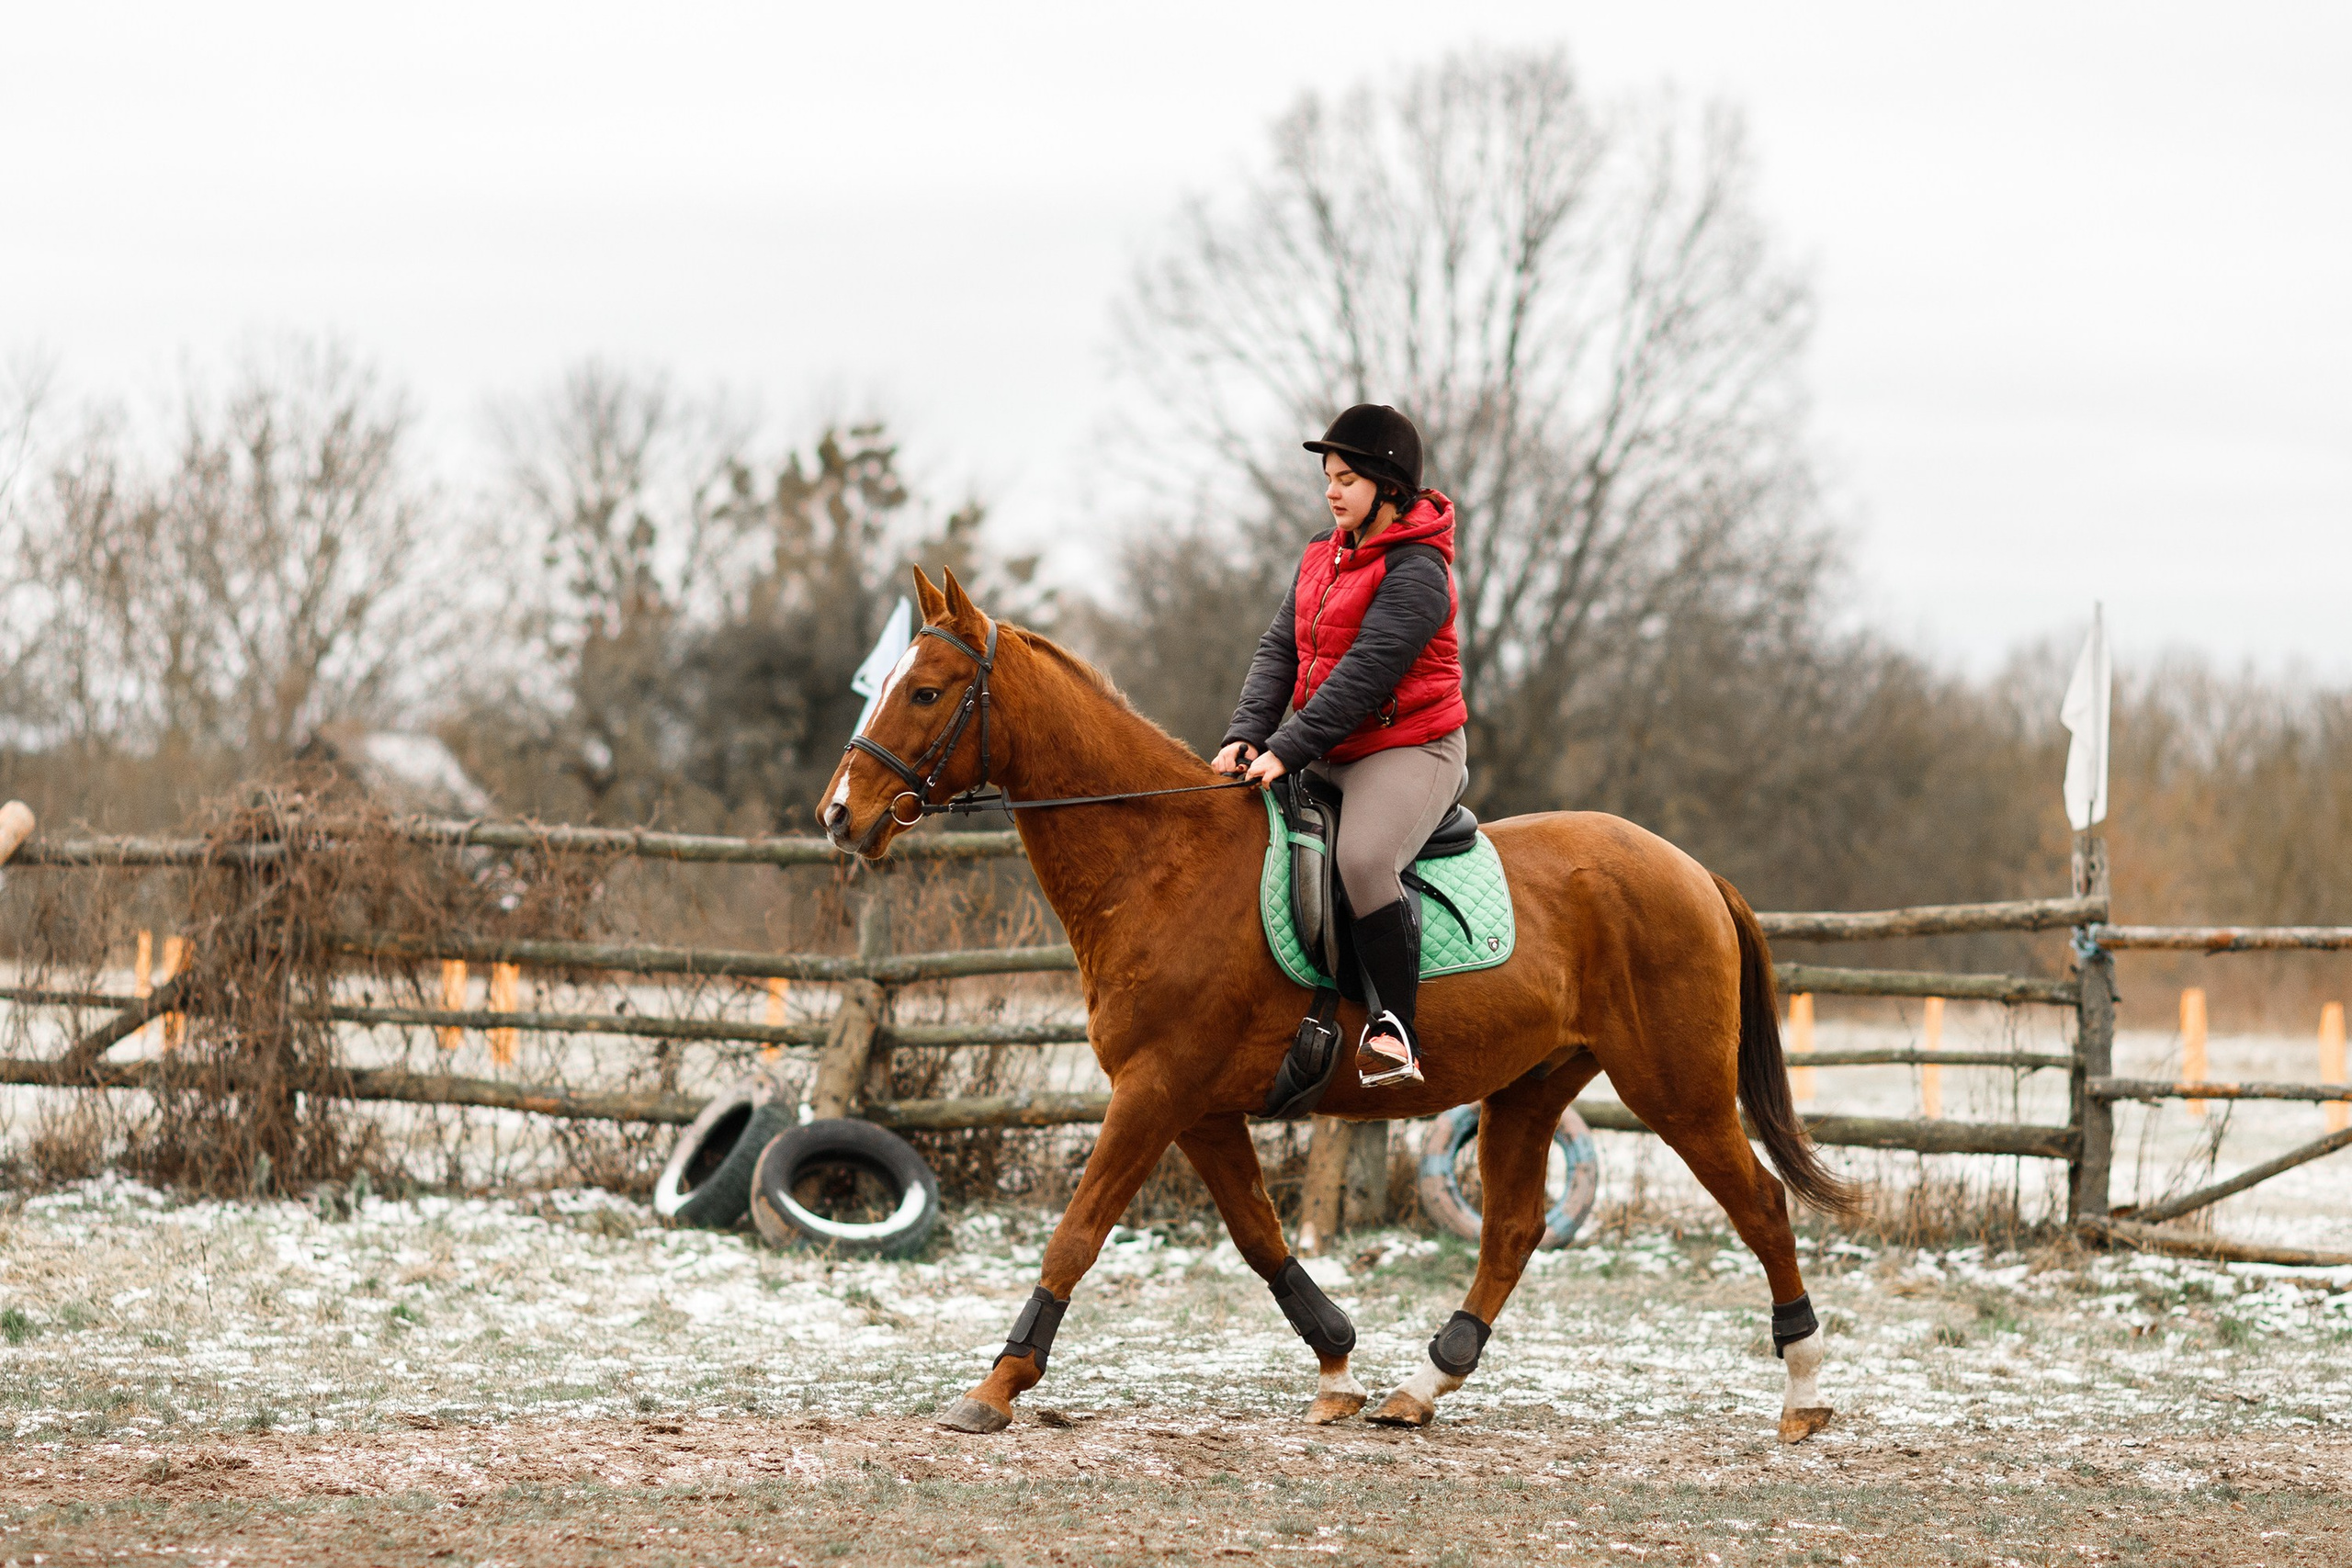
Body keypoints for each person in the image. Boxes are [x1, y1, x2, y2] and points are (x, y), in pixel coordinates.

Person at [1213, 404, 1468, 1087]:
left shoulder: (1419, 572)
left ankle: (1397, 1030)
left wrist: (1288, 747)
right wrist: (1246, 734)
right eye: (1328, 476)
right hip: (1330, 743)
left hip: (1411, 746)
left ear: (1389, 486)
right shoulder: (1321, 557)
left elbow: (1364, 676)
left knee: (1361, 857)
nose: (1331, 490)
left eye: (1347, 478)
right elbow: (1279, 652)